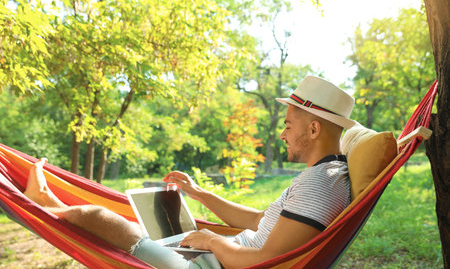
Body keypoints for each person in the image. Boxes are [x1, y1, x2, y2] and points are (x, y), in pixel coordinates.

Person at [24, 76, 356, 269]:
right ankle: (51, 202)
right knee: (150, 225)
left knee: (100, 217)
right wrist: (200, 193)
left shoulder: (320, 183)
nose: (282, 134)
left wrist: (211, 240)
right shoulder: (326, 176)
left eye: (287, 125)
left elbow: (264, 259)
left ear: (313, 129)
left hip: (212, 266)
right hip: (220, 255)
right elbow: (259, 223)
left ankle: (45, 203)